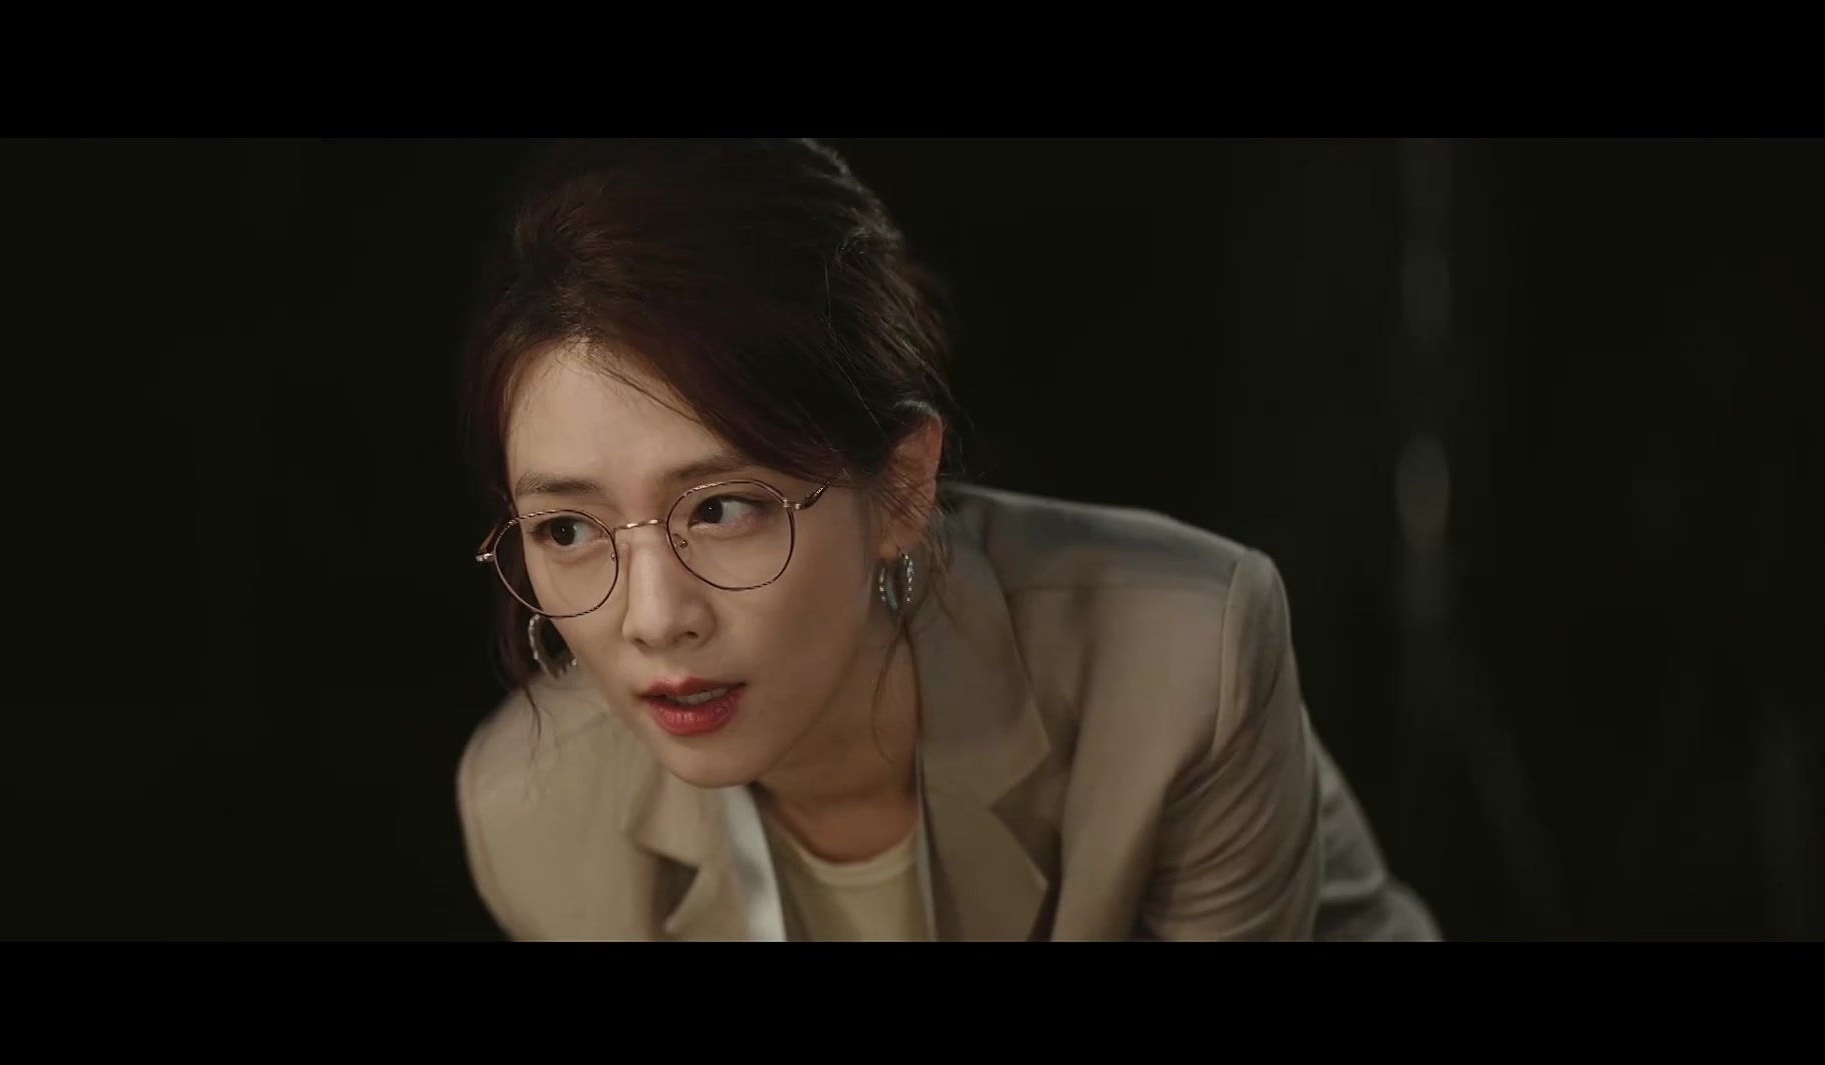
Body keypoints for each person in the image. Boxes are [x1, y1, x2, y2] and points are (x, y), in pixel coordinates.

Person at [453, 138, 1439, 941]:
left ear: (902, 490)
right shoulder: (535, 817)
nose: (653, 618)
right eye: (568, 528)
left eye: (721, 509)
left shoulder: (1178, 668)